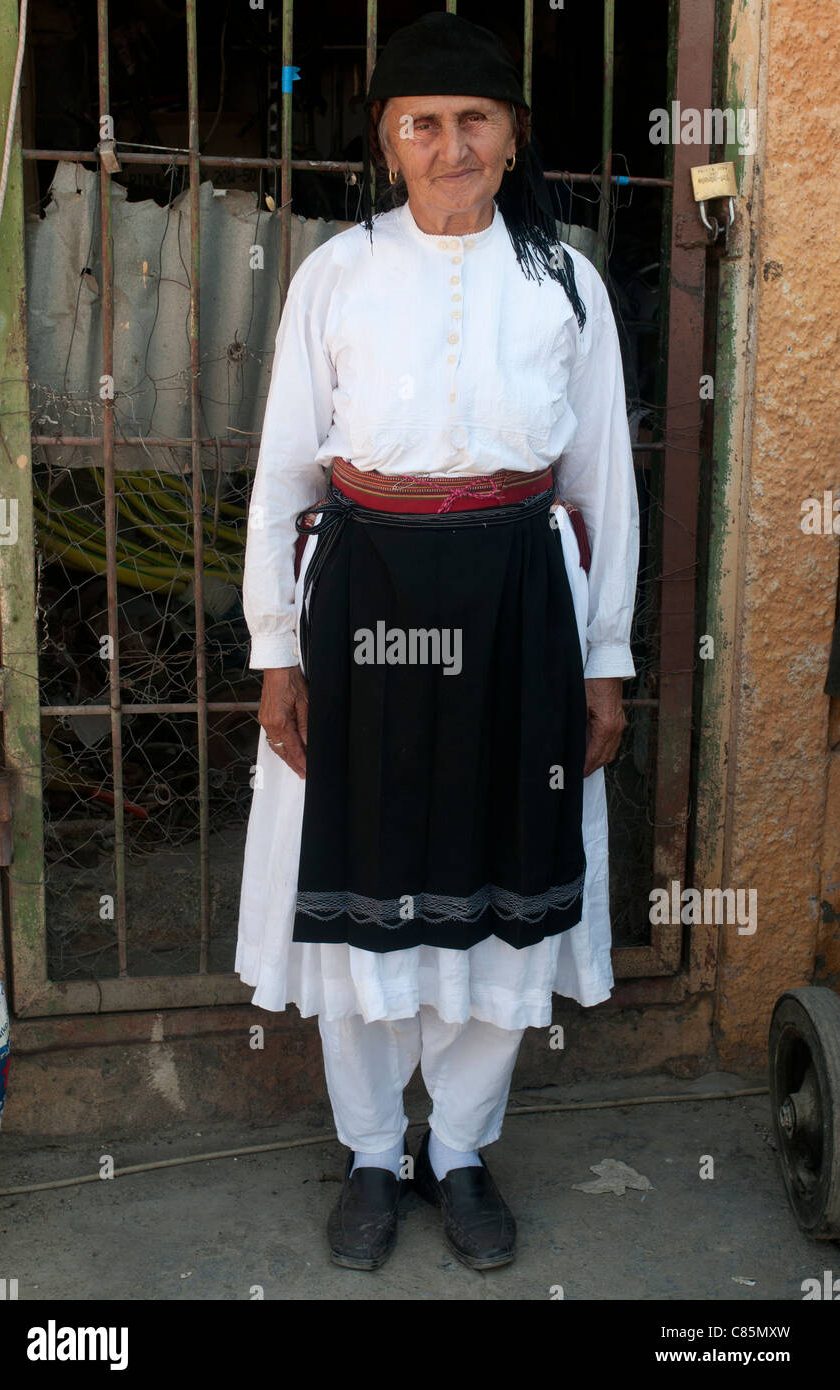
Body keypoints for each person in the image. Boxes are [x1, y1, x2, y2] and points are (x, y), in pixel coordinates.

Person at [237, 10, 639, 1272]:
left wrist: (605, 658)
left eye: (475, 121)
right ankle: (369, 1151)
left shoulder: (565, 280)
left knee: (499, 879)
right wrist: (274, 646)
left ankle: (458, 1153)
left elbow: (606, 481)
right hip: (363, 593)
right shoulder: (336, 274)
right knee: (355, 875)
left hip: (522, 600)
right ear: (388, 141)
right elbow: (281, 473)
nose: (450, 145)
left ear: (513, 138)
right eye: (424, 123)